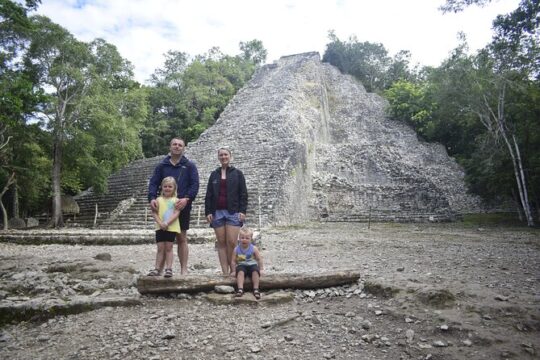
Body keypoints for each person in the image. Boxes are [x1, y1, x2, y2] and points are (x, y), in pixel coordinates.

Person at [148, 137, 199, 275]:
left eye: (180, 145)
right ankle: (160, 269)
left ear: (184, 148)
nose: (177, 147)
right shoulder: (162, 166)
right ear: (170, 147)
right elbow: (153, 183)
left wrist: (187, 199)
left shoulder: (189, 166)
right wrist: (152, 198)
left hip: (182, 206)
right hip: (164, 206)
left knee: (182, 238)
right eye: (174, 144)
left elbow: (194, 185)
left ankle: (183, 269)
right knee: (164, 240)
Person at [204, 147, 248, 275]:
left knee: (232, 242)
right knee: (221, 243)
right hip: (217, 212)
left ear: (230, 156)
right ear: (218, 157)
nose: (223, 157)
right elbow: (209, 194)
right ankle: (225, 272)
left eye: (226, 155)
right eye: (221, 155)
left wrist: (242, 211)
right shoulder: (214, 174)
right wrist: (208, 212)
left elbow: (243, 193)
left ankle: (234, 270)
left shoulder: (237, 173)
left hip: (233, 211)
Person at [147, 177, 180, 278]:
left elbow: (176, 213)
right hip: (160, 227)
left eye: (170, 186)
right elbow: (154, 213)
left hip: (171, 227)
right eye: (165, 186)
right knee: (160, 248)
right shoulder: (158, 199)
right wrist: (161, 223)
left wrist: (167, 223)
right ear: (161, 187)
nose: (167, 188)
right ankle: (157, 268)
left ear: (174, 188)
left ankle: (169, 269)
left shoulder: (176, 200)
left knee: (169, 248)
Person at [231, 227, 263, 299]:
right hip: (241, 265)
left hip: (252, 265)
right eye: (242, 238)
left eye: (247, 238)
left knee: (255, 272)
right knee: (240, 272)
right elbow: (233, 261)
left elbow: (259, 259)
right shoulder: (236, 249)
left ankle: (256, 289)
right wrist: (233, 271)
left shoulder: (253, 248)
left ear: (251, 239)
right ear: (239, 238)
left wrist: (261, 269)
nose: (244, 240)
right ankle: (240, 289)